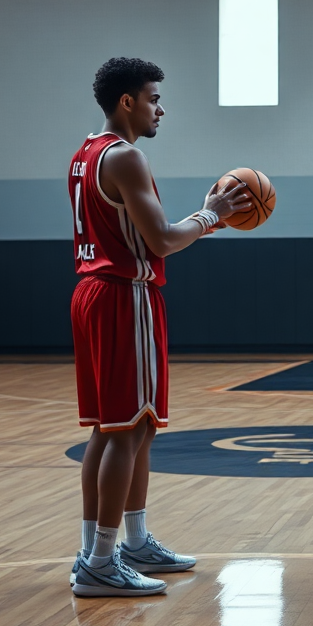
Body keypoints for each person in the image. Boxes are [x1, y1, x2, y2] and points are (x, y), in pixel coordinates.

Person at [68, 57, 251, 597]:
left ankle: (119, 545)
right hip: (125, 296)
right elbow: (162, 241)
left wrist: (194, 224)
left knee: (118, 427)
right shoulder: (126, 156)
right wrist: (211, 214)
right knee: (130, 429)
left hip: (91, 291)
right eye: (152, 98)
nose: (159, 108)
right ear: (126, 102)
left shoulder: (85, 153)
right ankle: (102, 562)